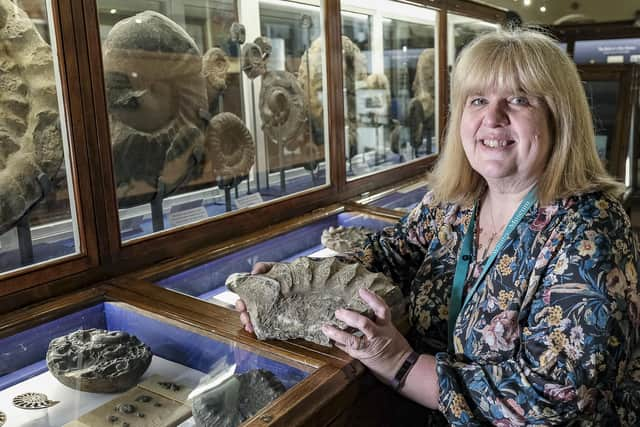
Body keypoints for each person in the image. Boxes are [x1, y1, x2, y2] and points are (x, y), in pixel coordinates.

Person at [237, 28, 640, 425]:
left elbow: (550, 401)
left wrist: (399, 363)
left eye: (519, 100)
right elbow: (388, 254)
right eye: (477, 100)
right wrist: (293, 282)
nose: (493, 118)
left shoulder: (592, 229)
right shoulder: (454, 201)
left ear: (559, 117)